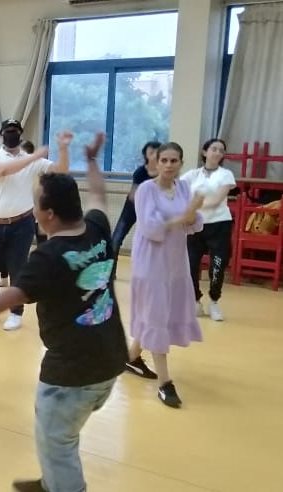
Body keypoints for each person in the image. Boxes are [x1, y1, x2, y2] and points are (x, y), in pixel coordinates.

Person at [0, 132, 126, 492]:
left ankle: (62, 484)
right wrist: (93, 161)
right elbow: (99, 195)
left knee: (58, 442)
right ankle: (53, 481)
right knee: (62, 436)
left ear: (48, 215)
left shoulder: (47, 257)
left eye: (35, 202)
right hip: (111, 359)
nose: (33, 208)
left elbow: (16, 294)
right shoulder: (98, 229)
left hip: (71, 374)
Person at [127, 142, 204, 408]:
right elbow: (150, 228)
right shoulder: (146, 190)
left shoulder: (183, 188)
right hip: (150, 262)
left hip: (175, 262)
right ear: (156, 162)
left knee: (156, 313)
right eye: (165, 160)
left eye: (174, 160)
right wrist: (185, 215)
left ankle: (131, 357)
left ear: (181, 163)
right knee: (156, 314)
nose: (169, 165)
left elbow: (196, 224)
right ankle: (165, 383)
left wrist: (191, 215)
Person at [0, 120, 72, 331]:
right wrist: (33, 156)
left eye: (15, 131)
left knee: (18, 269)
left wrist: (63, 149)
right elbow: (1, 171)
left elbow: (61, 172)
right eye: (8, 131)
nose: (11, 134)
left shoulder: (34, 161)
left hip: (21, 224)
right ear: (1, 134)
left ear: (20, 134)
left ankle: (15, 312)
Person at [182, 138, 236, 322]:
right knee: (191, 264)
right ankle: (195, 300)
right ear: (205, 152)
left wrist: (193, 205)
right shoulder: (192, 175)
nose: (218, 153)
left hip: (219, 224)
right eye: (214, 149)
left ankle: (214, 301)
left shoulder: (226, 174)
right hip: (194, 225)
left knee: (217, 265)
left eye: (221, 150)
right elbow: (178, 193)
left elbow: (216, 201)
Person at [111, 141, 161, 277]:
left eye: (157, 152)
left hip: (152, 210)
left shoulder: (163, 173)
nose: (154, 155)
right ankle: (110, 273)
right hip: (132, 208)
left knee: (153, 242)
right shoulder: (140, 172)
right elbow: (133, 196)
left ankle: (151, 274)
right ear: (146, 155)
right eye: (151, 152)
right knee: (116, 239)